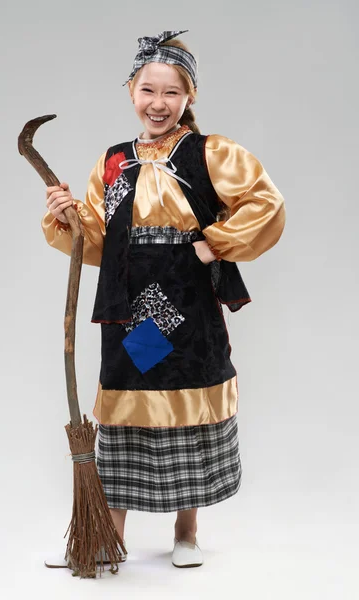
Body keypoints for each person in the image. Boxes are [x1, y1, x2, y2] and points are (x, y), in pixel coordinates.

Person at [42, 30, 286, 569]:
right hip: (130, 303)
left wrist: (214, 244)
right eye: (148, 90)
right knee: (128, 407)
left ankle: (188, 529)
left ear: (189, 97)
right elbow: (99, 239)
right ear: (131, 91)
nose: (158, 104)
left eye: (171, 93)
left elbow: (265, 203)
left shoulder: (210, 152)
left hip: (186, 300)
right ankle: (106, 533)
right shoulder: (112, 163)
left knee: (190, 400)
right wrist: (68, 217)